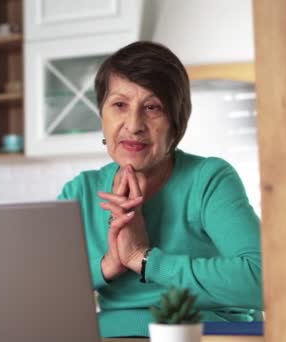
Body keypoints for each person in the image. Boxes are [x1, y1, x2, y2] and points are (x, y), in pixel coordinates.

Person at [57, 41, 263, 337]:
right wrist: (109, 265)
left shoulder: (209, 179)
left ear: (176, 122)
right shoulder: (80, 191)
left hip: (207, 332)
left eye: (152, 107)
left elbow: (264, 281)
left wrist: (144, 259)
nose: (134, 124)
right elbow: (41, 293)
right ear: (102, 115)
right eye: (119, 105)